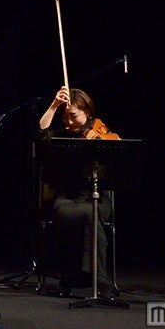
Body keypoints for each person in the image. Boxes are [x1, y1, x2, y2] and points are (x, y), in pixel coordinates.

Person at [38, 86, 118, 297]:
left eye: (73, 116)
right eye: (65, 118)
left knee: (91, 212)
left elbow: (117, 155)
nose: (69, 122)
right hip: (67, 196)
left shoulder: (99, 131)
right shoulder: (62, 137)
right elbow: (41, 132)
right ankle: (85, 278)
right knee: (68, 213)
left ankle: (81, 279)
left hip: (98, 195)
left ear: (87, 112)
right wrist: (55, 105)